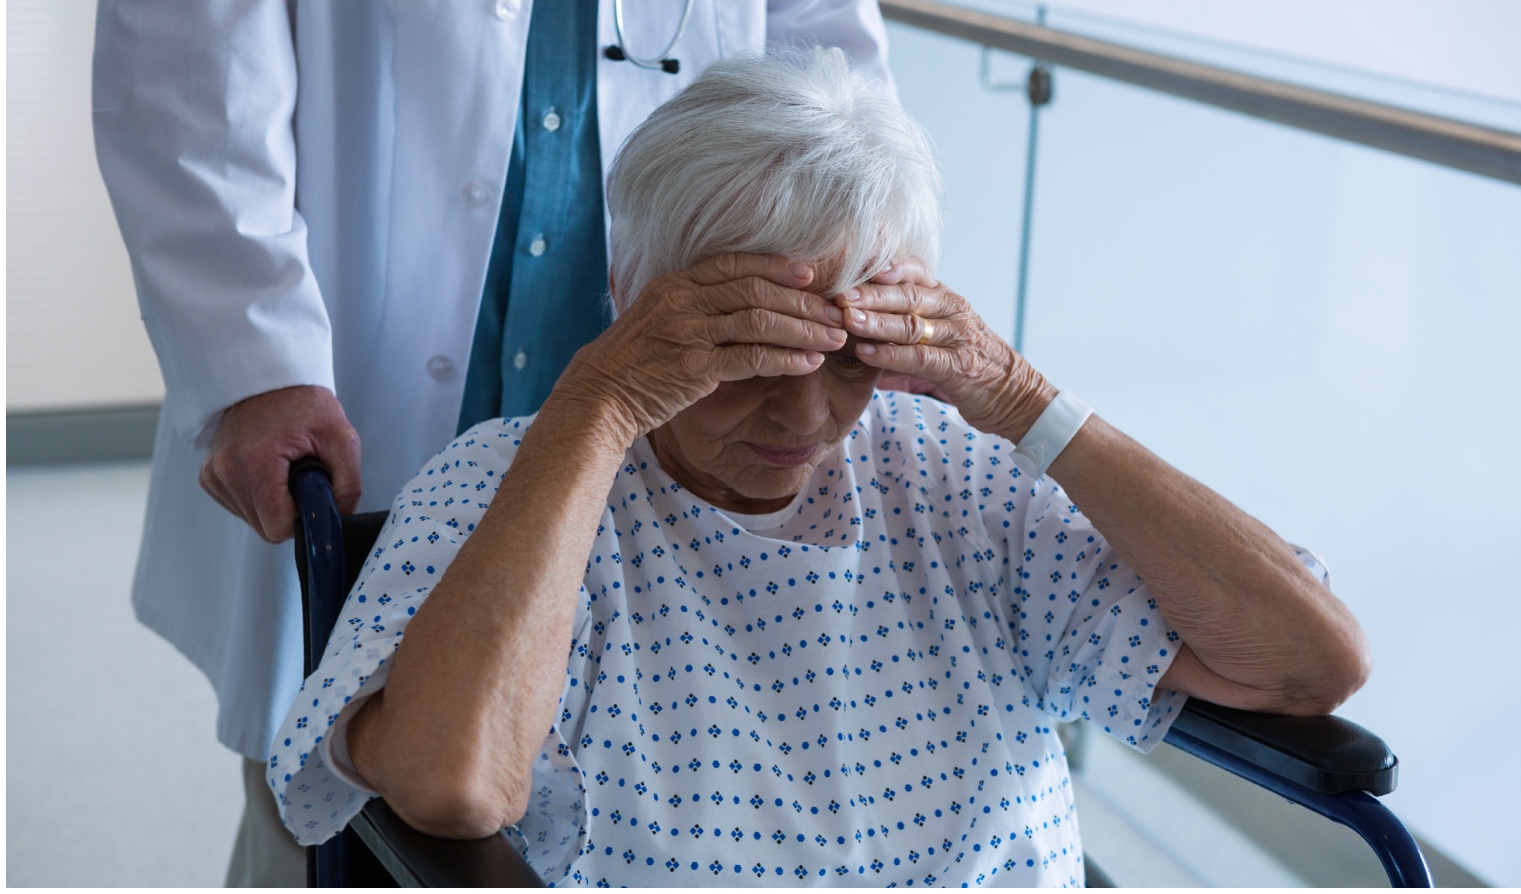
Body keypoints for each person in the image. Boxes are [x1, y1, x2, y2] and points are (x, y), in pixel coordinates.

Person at [268, 48, 1370, 886]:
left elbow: (1309, 662)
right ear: (634, 298)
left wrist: (1028, 404)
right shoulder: (514, 480)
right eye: (743, 347)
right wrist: (598, 408)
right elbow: (452, 785)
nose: (804, 411)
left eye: (850, 353)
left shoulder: (957, 476)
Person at [92, 1, 897, 885]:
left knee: (664, 754)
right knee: (340, 788)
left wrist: (866, 263)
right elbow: (189, 58)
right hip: (355, 359)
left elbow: (828, 59)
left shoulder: (935, 469)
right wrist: (253, 357)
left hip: (680, 384)